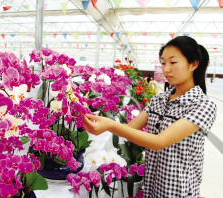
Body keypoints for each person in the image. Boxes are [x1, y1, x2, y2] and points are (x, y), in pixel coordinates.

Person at [82, 36, 217, 198]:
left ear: (193, 64)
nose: (166, 69)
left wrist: (110, 124)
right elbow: (130, 129)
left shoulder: (202, 105)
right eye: (163, 62)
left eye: (173, 62)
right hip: (153, 184)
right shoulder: (159, 100)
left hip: (178, 190)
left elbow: (160, 142)